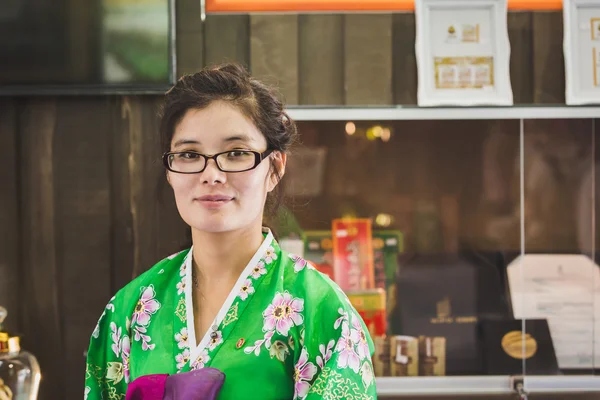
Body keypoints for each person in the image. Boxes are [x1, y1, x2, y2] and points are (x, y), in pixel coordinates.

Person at [85, 63, 377, 400]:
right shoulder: (129, 310)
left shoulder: (320, 309)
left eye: (237, 153)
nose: (211, 174)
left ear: (275, 168)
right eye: (189, 154)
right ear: (170, 171)